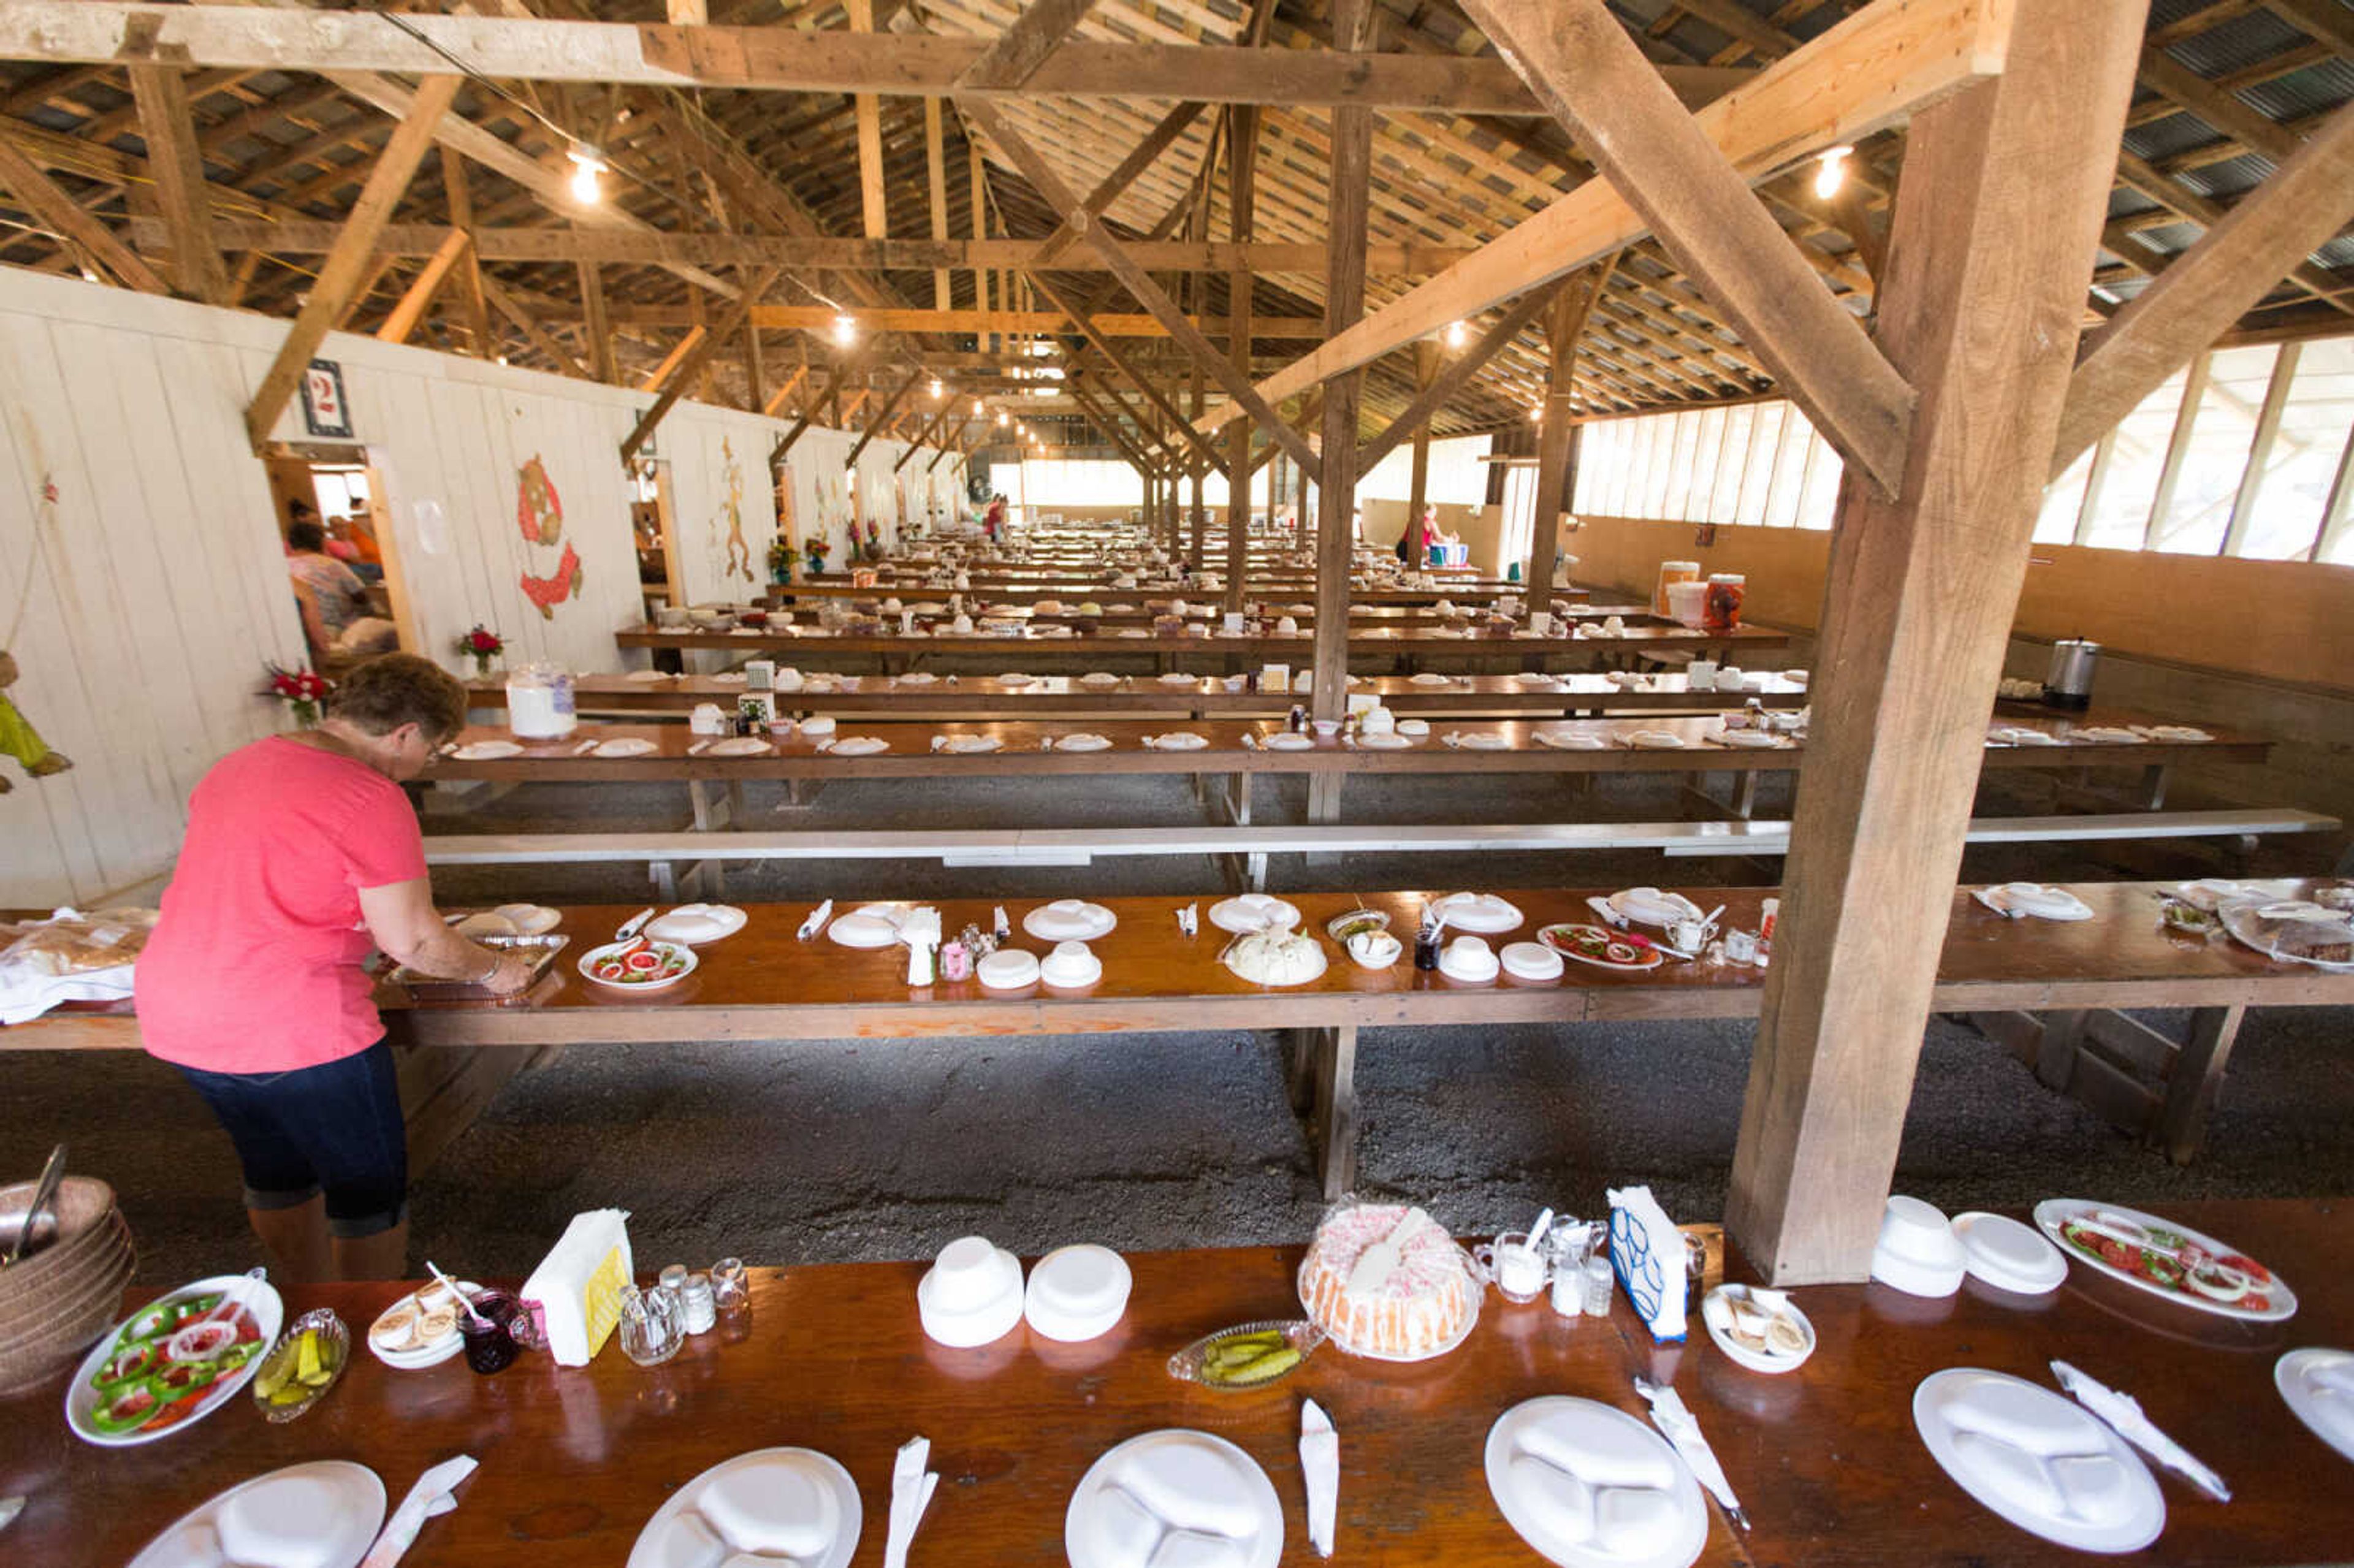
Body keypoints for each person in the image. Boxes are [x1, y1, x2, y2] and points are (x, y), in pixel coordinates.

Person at [134, 655, 536, 1282]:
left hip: (177, 1008)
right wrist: (495, 970)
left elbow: (271, 878)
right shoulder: (369, 794)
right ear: (404, 733)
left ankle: (307, 1298)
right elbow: (418, 942)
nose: (425, 765)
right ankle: (363, 1331)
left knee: (275, 1171)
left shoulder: (235, 764)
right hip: (294, 1022)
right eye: (432, 749)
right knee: (366, 1192)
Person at [286, 520, 394, 664]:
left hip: (297, 631)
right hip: (334, 630)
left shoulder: (284, 566)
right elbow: (360, 596)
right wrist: (371, 613)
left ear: (291, 544)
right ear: (322, 542)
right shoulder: (332, 564)